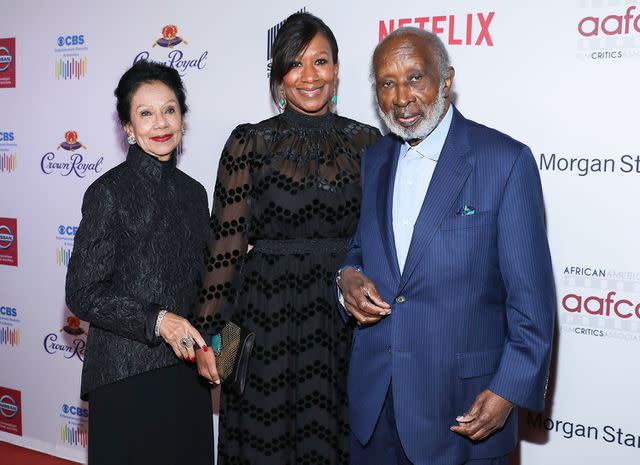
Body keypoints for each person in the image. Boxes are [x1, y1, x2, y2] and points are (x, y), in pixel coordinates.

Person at [337, 27, 555, 465]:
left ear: (446, 80)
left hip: (463, 412)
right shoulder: (375, 159)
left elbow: (532, 303)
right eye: (386, 82)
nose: (401, 97)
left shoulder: (504, 161)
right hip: (375, 409)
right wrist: (346, 278)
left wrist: (507, 390)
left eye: (415, 78)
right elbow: (362, 249)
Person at [194, 12, 380, 465]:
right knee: (261, 439)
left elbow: (381, 241)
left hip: (341, 319)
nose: (310, 76)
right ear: (279, 76)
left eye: (321, 61)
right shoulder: (250, 142)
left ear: (337, 71)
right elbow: (225, 248)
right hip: (262, 315)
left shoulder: (368, 142)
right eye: (295, 64)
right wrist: (211, 341)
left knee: (337, 438)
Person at [65, 60, 213, 465]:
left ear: (183, 118)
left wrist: (222, 349)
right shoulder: (108, 192)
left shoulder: (195, 193)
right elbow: (82, 293)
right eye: (145, 113)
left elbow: (210, 285)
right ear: (128, 127)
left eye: (169, 109)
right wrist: (158, 319)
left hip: (186, 374)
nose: (160, 123)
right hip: (125, 374)